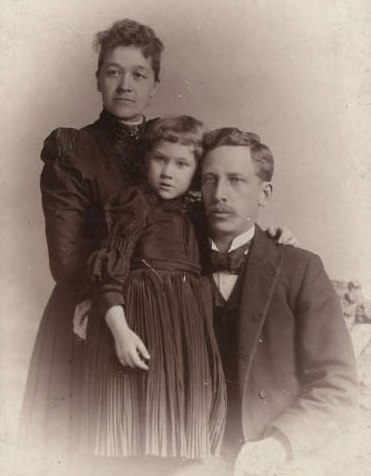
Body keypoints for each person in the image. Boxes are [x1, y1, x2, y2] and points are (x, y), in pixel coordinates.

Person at [17, 18, 164, 475]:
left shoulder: (174, 146)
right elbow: (65, 260)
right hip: (92, 313)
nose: (125, 85)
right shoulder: (72, 148)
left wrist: (269, 237)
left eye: (139, 74)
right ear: (97, 79)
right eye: (113, 72)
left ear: (155, 84)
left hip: (165, 314)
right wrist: (111, 306)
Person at [199, 128, 358, 476]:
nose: (219, 194)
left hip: (269, 452)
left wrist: (280, 444)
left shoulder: (301, 268)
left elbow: (337, 382)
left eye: (236, 180)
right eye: (209, 180)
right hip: (191, 451)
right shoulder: (173, 265)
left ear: (264, 193)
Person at [83, 116, 226, 467]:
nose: (168, 172)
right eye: (160, 159)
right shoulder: (134, 205)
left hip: (186, 333)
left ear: (195, 170)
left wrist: (277, 237)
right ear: (146, 159)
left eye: (181, 163)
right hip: (140, 326)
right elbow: (108, 274)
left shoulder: (198, 214)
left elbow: (232, 249)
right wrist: (120, 331)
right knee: (134, 433)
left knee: (181, 441)